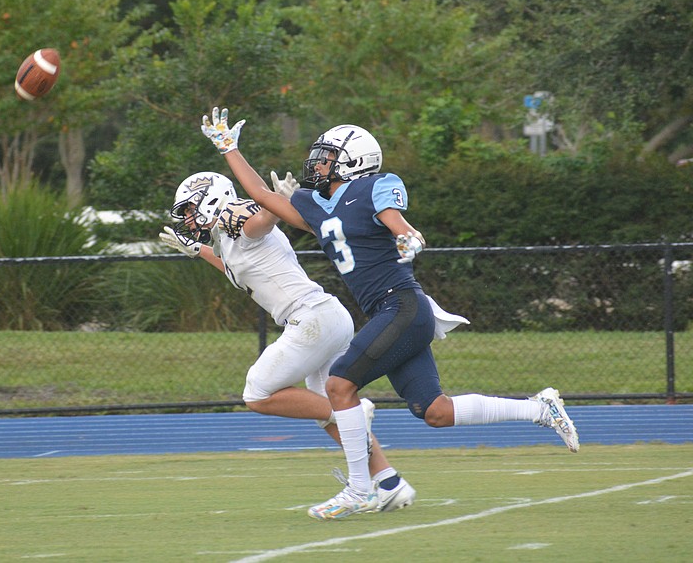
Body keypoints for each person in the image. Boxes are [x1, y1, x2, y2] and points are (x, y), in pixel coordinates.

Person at [200, 107, 580, 521]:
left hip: (401, 305)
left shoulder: (374, 187)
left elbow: (398, 223)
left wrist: (407, 239)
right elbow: (260, 194)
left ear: (352, 162)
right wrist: (229, 149)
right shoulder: (316, 204)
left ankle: (362, 489)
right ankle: (541, 409)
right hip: (390, 311)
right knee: (435, 411)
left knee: (340, 384)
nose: (317, 162)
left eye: (326, 156)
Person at [158, 170, 416, 515]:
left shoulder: (243, 222)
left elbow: (261, 221)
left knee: (258, 392)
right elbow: (240, 272)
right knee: (327, 415)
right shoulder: (228, 239)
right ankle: (388, 482)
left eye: (190, 209)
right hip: (326, 317)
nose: (188, 218)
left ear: (212, 199)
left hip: (312, 319)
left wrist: (276, 203)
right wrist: (201, 251)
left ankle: (353, 414)